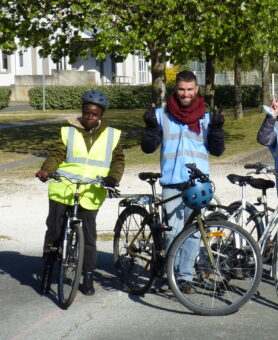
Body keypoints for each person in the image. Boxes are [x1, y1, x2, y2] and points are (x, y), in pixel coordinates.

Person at [141, 70, 225, 293]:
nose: (186, 94)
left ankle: (184, 276)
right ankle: (171, 273)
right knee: (171, 232)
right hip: (172, 182)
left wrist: (217, 130)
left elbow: (217, 151)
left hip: (198, 183)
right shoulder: (162, 115)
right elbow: (148, 148)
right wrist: (150, 128)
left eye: (190, 89)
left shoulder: (206, 117)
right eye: (181, 89)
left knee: (194, 232)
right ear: (175, 90)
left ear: (196, 90)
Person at [36, 90, 125, 296]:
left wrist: (113, 179)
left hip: (91, 190)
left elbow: (118, 161)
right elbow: (56, 154)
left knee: (89, 236)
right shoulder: (69, 131)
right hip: (63, 187)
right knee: (55, 230)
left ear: (101, 114)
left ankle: (88, 276)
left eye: (94, 114)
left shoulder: (112, 135)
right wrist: (46, 170)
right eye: (86, 113)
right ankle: (48, 269)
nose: (90, 117)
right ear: (82, 111)